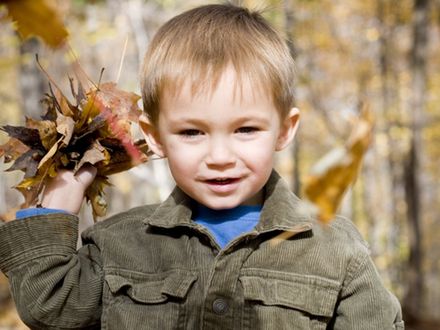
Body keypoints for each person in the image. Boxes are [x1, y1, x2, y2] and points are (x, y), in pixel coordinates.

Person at [0, 3, 404, 329]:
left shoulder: (333, 248)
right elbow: (50, 306)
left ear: (284, 130)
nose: (220, 156)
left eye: (245, 129)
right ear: (155, 136)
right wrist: (57, 206)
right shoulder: (121, 243)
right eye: (193, 133)